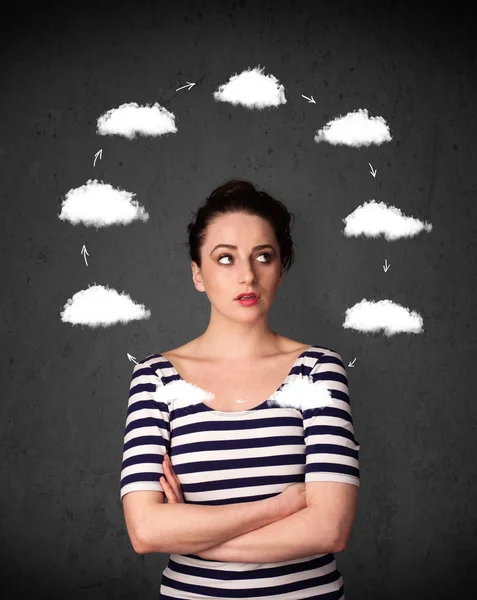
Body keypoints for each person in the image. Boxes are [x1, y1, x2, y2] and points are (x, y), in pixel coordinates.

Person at [120, 179, 360, 599]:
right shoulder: (156, 379)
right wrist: (280, 507)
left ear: (280, 267)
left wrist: (192, 533)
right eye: (225, 258)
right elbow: (145, 531)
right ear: (198, 274)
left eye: (262, 257)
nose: (247, 275)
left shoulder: (319, 370)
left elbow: (330, 529)